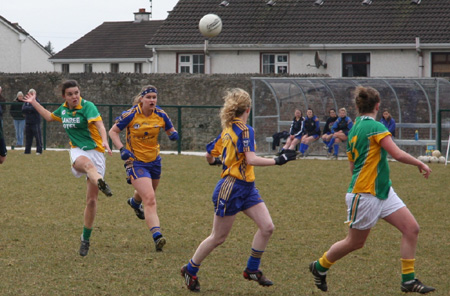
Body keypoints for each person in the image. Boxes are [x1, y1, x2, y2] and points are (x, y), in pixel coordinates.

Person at [309, 86, 435, 294]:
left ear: (357, 107)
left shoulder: (354, 128)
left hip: (382, 191)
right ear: (377, 106)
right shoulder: (375, 127)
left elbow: (352, 167)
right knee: (354, 243)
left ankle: (408, 280)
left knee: (411, 228)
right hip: (366, 194)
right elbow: (396, 153)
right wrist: (419, 163)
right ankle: (320, 266)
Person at [180, 88, 296, 292]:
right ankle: (190, 269)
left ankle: (251, 269)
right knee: (218, 237)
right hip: (231, 188)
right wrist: (279, 159)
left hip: (247, 187)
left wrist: (218, 161)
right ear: (248, 109)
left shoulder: (228, 129)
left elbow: (209, 154)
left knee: (267, 227)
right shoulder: (244, 130)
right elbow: (250, 159)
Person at [22, 80, 113, 256]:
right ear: (64, 96)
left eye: (76, 93)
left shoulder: (88, 106)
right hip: (78, 150)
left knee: (92, 200)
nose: (74, 96)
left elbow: (100, 125)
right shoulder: (63, 110)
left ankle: (85, 238)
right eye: (70, 94)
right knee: (87, 165)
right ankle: (100, 181)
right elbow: (49, 117)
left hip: (96, 151)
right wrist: (34, 102)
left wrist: (104, 140)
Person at [109, 85, 179, 252]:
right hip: (135, 162)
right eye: (149, 97)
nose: (152, 100)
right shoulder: (131, 114)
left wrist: (173, 133)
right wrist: (122, 149)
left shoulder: (161, 114)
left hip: (154, 161)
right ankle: (157, 236)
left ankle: (134, 202)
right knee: (150, 198)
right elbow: (113, 132)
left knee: (148, 193)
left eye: (154, 97)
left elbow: (170, 128)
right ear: (141, 99)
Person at [22, 89, 43, 155]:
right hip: (28, 121)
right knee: (28, 137)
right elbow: (23, 109)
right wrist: (30, 109)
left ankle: (39, 151)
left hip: (35, 122)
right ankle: (27, 151)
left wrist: (29, 109)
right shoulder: (26, 102)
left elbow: (36, 109)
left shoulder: (37, 101)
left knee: (38, 137)